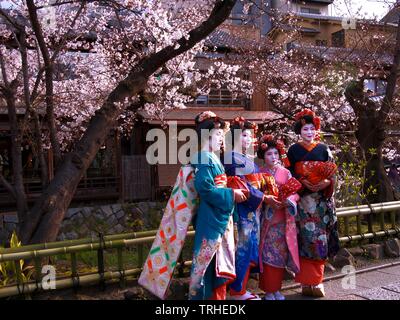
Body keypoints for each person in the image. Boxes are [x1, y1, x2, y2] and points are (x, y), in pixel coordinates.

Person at [189, 111, 248, 300]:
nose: (221, 139)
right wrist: (231, 193)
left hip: (219, 213)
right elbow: (204, 189)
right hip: (211, 216)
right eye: (218, 135)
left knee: (218, 262)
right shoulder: (204, 157)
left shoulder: (211, 157)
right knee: (209, 263)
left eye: (223, 136)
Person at [287, 108, 339, 297]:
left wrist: (326, 182)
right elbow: (289, 174)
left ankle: (317, 282)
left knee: (319, 240)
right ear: (299, 132)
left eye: (311, 129)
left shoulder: (324, 149)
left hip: (320, 202)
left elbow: (333, 172)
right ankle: (304, 283)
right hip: (303, 201)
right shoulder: (293, 150)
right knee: (304, 239)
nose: (309, 133)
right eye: (305, 130)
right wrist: (301, 182)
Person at [221, 117, 272, 300]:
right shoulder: (230, 157)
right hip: (242, 208)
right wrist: (262, 196)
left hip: (252, 208)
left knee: (250, 246)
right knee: (241, 247)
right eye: (244, 135)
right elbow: (240, 185)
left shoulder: (244, 158)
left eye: (250, 136)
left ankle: (241, 289)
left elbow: (254, 182)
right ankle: (236, 291)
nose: (248, 139)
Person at [257, 134, 302, 300]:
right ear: (263, 156)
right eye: (269, 154)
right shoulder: (259, 173)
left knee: (280, 255)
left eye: (276, 153)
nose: (273, 157)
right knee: (268, 255)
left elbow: (295, 193)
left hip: (283, 220)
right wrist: (266, 199)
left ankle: (277, 289)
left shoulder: (285, 173)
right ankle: (269, 290)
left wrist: (289, 200)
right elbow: (256, 194)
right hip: (267, 220)